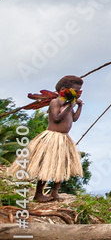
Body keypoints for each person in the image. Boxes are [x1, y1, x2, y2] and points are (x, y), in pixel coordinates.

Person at [23, 75, 85, 203]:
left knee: (61, 166)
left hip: (64, 139)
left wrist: (79, 107)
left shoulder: (68, 104)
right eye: (75, 90)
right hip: (52, 138)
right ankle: (38, 194)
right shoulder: (55, 102)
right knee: (47, 166)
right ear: (64, 89)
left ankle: (55, 192)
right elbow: (56, 118)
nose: (78, 93)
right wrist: (70, 106)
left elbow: (74, 118)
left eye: (79, 91)